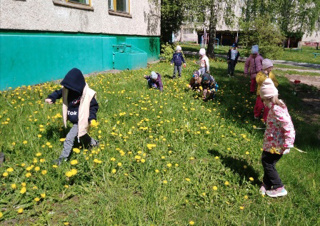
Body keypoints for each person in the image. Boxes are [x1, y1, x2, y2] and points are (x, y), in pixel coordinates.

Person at [45, 68, 99, 165]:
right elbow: (58, 92)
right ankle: (94, 143)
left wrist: (92, 118)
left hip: (82, 120)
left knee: (69, 138)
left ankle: (63, 158)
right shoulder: (68, 90)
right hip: (74, 119)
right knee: (82, 134)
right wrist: (52, 97)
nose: (68, 89)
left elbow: (93, 107)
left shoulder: (88, 94)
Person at [259, 78, 295, 197]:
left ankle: (279, 187)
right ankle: (266, 183)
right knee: (268, 161)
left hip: (277, 144)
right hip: (272, 142)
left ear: (268, 98)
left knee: (267, 162)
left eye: (263, 100)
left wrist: (288, 143)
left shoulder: (276, 109)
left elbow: (288, 125)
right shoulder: (278, 105)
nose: (263, 103)